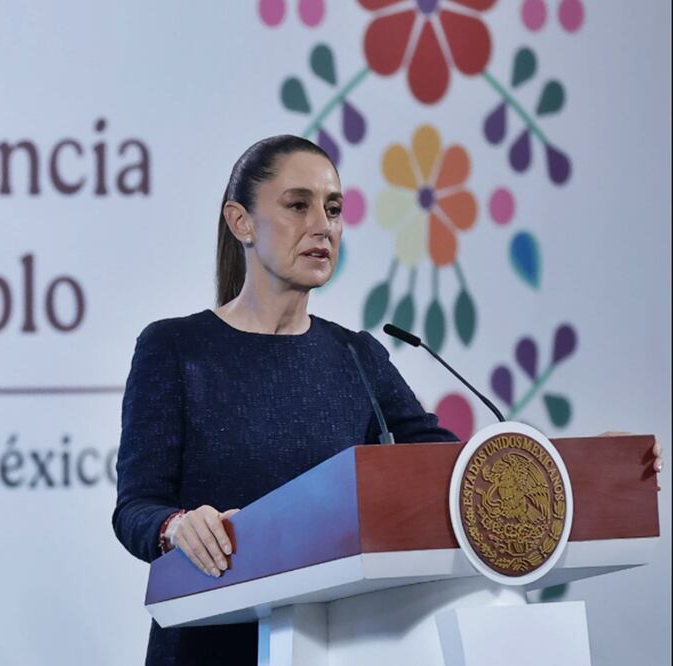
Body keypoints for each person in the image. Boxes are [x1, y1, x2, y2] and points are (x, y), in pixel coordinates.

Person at [110, 135, 663, 666]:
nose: (321, 227)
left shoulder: (356, 355)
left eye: (332, 209)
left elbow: (454, 476)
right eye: (297, 206)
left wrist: (585, 474)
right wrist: (177, 526)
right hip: (210, 645)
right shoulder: (175, 348)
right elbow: (136, 507)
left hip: (338, 647)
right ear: (241, 222)